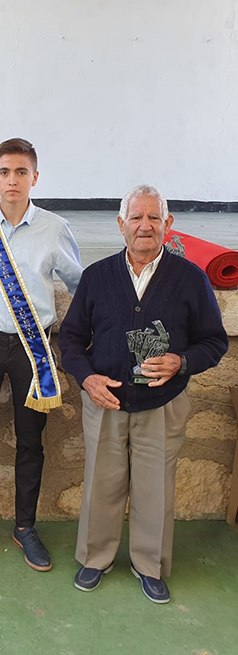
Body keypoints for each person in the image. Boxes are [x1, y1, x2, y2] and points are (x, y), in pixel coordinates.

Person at [59, 184, 227, 603]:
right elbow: (72, 340)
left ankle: (149, 565)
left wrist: (181, 362)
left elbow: (214, 342)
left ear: (168, 224)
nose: (145, 225)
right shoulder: (97, 276)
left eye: (154, 217)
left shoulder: (190, 279)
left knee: (156, 488)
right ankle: (95, 558)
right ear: (121, 224)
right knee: (101, 484)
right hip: (106, 401)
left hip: (162, 404)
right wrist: (88, 379)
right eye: (136, 217)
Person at [0, 138, 83, 571]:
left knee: (31, 440)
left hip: (34, 347)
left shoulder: (55, 228)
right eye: (5, 172)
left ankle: (26, 526)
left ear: (35, 177)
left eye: (21, 172)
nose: (13, 180)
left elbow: (80, 285)